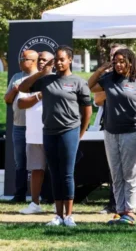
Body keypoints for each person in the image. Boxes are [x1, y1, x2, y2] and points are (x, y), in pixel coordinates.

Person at [19, 45, 92, 227]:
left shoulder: (78, 82)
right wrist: (41, 72)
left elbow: (87, 110)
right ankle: (58, 215)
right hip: (49, 132)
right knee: (55, 174)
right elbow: (23, 87)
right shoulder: (46, 80)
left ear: (69, 60)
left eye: (62, 59)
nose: (59, 62)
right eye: (56, 59)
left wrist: (81, 132)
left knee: (67, 174)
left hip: (69, 131)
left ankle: (69, 216)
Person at [88, 48, 136, 225]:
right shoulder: (108, 79)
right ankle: (119, 210)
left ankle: (129, 212)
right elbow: (89, 86)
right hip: (110, 132)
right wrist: (102, 69)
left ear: (131, 62)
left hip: (132, 131)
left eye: (122, 61)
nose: (118, 65)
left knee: (130, 173)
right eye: (115, 61)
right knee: (116, 173)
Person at [18, 51, 54, 214]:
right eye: (40, 60)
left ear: (52, 63)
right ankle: (35, 204)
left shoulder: (58, 79)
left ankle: (58, 203)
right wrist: (40, 95)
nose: (42, 63)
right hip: (34, 133)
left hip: (54, 132)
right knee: (36, 170)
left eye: (46, 61)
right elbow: (21, 103)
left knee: (56, 170)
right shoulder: (29, 81)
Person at [4, 50, 39, 203]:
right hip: (19, 126)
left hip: (37, 127)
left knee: (38, 162)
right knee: (20, 161)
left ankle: (40, 195)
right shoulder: (16, 77)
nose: (20, 61)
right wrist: (14, 90)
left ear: (33, 61)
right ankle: (19, 195)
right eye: (21, 58)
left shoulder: (41, 78)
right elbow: (7, 100)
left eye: (24, 59)